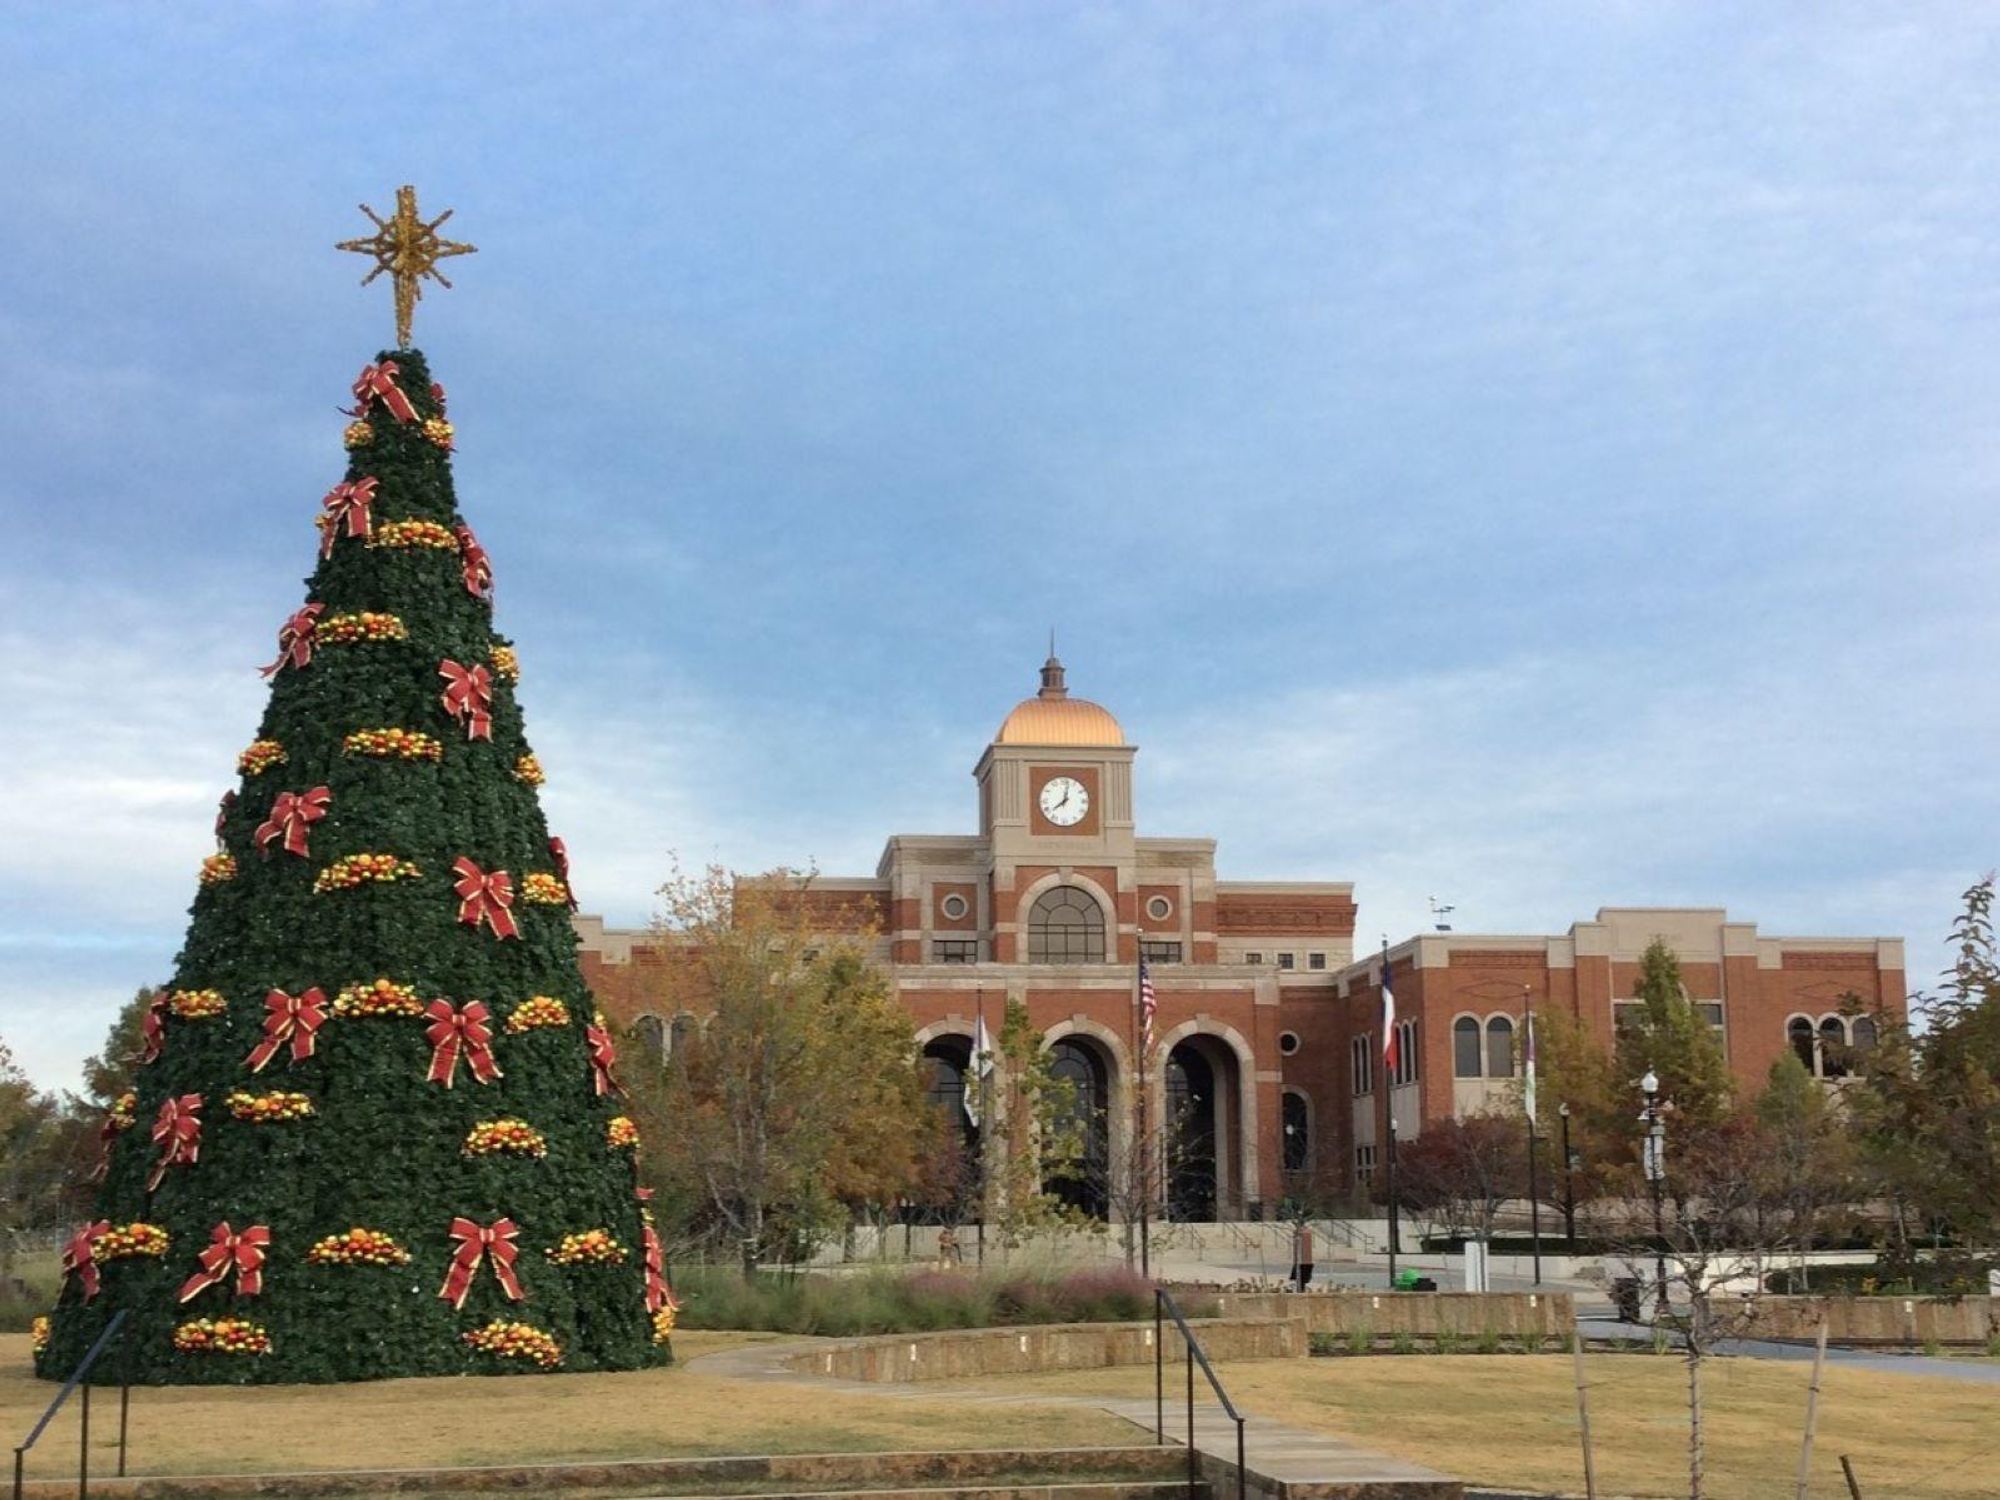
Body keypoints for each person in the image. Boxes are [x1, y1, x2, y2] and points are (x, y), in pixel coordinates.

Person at [1291, 1223, 1314, 1291]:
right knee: (1301, 1279)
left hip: (1303, 1262)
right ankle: (1301, 1288)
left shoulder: (1301, 1234)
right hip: (1305, 1262)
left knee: (1301, 1279)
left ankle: (1301, 1289)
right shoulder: (1305, 1233)